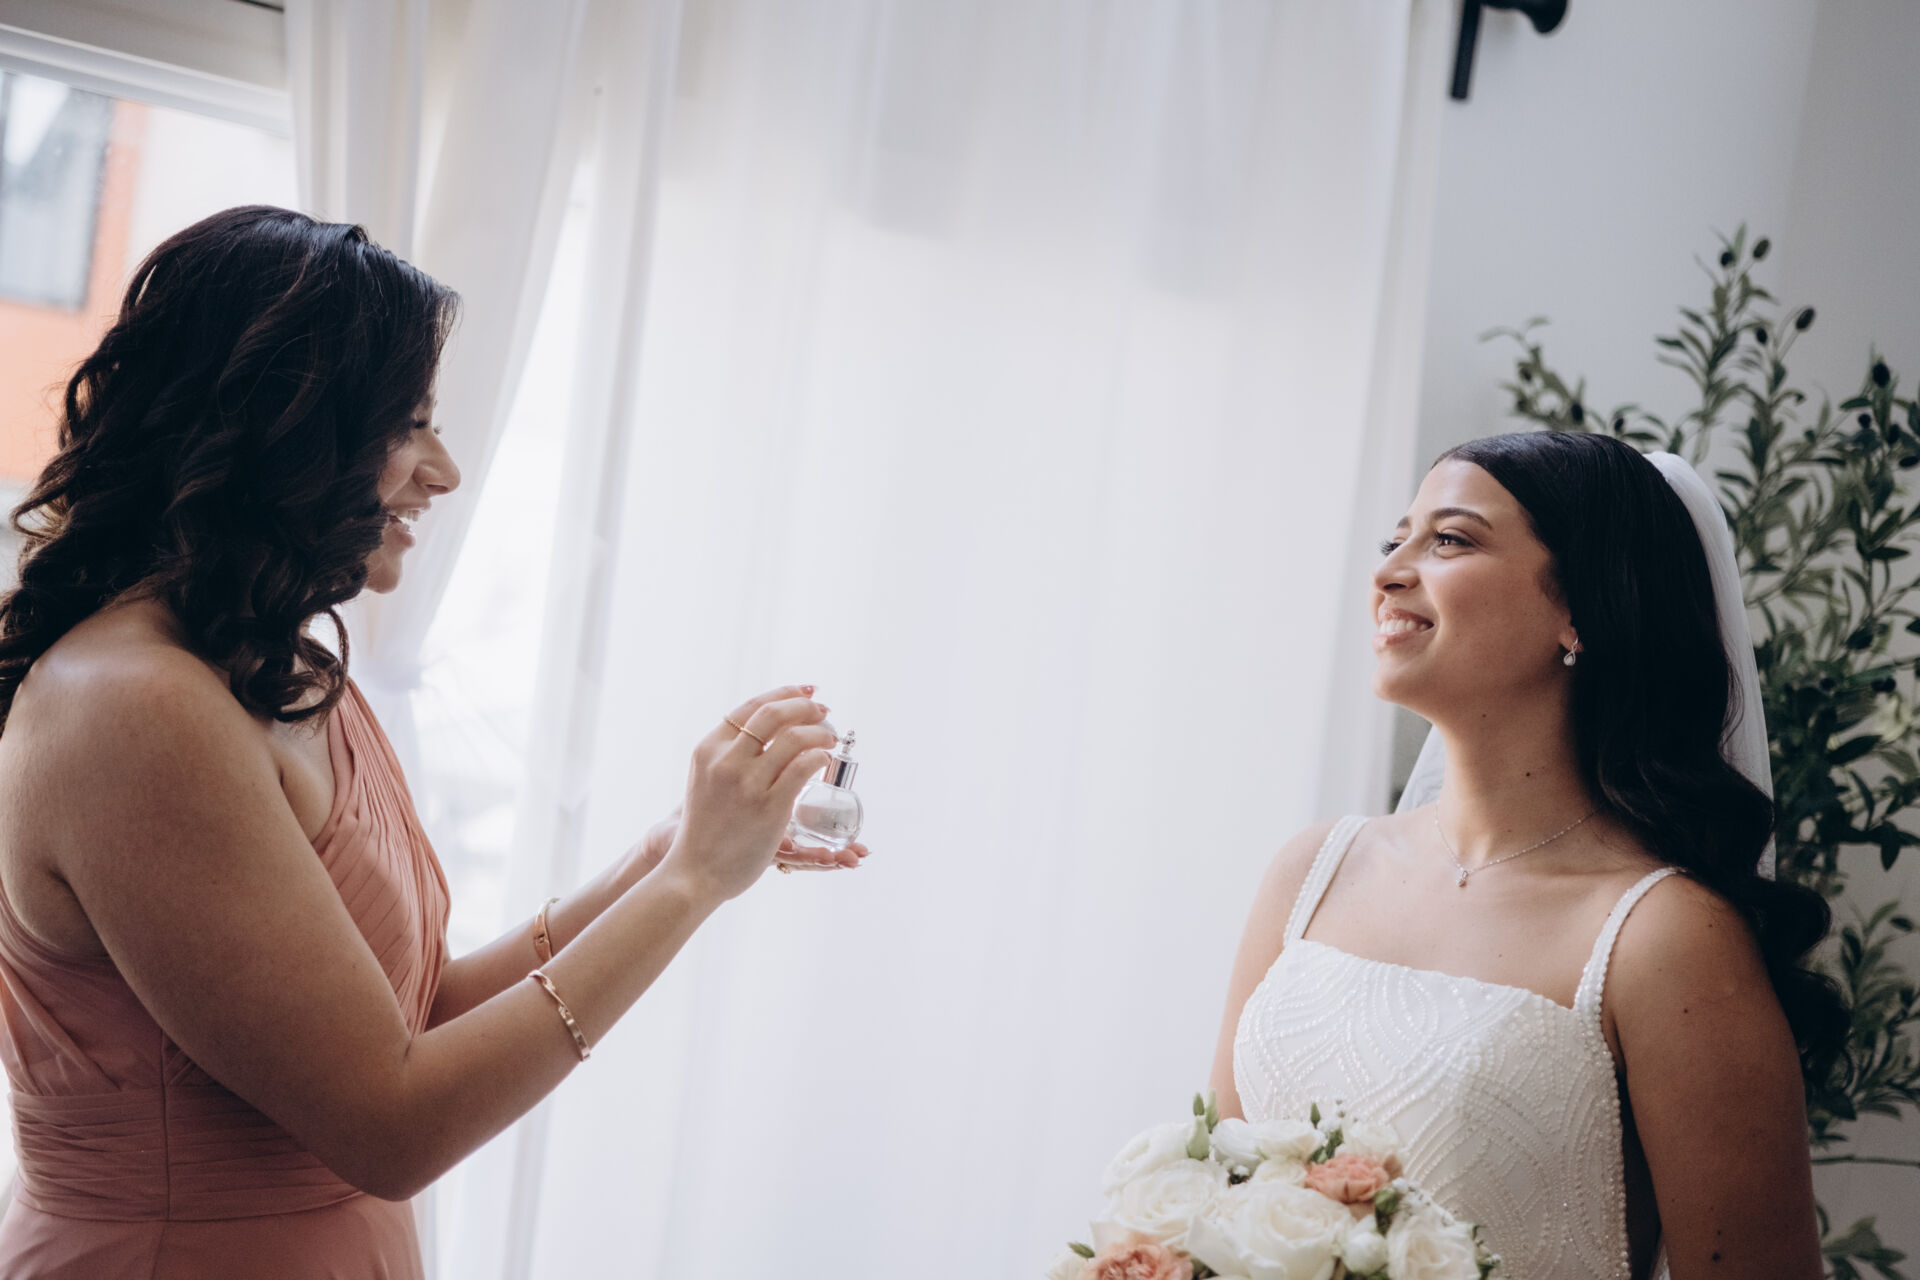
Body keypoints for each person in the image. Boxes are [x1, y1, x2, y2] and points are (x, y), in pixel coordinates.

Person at [0, 205, 864, 1279]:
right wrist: (690, 884)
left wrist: (666, 852)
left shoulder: (279, 666)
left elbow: (419, 1017)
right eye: (404, 426)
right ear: (279, 430)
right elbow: (392, 1125)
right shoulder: (130, 708)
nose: (445, 470)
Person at [1210, 431, 1847, 1280]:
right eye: (1395, 539)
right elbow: (1217, 1192)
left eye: (1450, 539)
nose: (1390, 571)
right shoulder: (1311, 873)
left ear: (1579, 608)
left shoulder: (1663, 936)